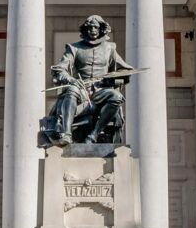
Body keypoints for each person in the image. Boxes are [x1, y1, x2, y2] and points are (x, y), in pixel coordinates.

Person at [40, 15, 135, 146]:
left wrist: (112, 77)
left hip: (101, 90)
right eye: (89, 27)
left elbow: (126, 70)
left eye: (96, 27)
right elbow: (59, 69)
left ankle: (94, 134)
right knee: (72, 89)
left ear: (101, 29)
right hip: (81, 90)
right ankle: (67, 134)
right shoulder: (74, 48)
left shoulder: (110, 48)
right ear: (85, 29)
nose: (92, 30)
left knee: (117, 97)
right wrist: (70, 79)